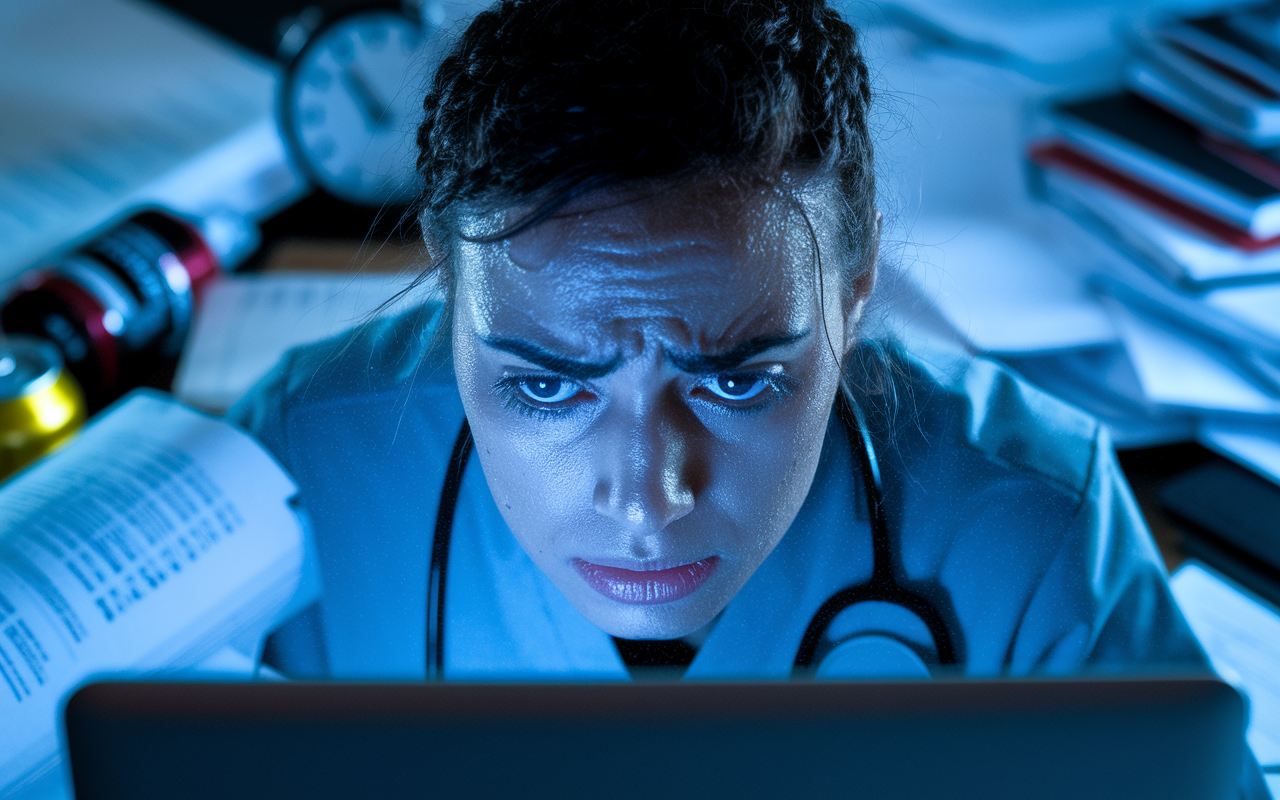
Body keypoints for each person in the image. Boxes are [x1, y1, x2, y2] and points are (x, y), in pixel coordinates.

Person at [236, 0, 1204, 684]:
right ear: (451, 299)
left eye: (738, 384)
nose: (647, 496)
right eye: (543, 388)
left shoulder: (1030, 530)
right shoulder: (303, 454)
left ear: (855, 290)